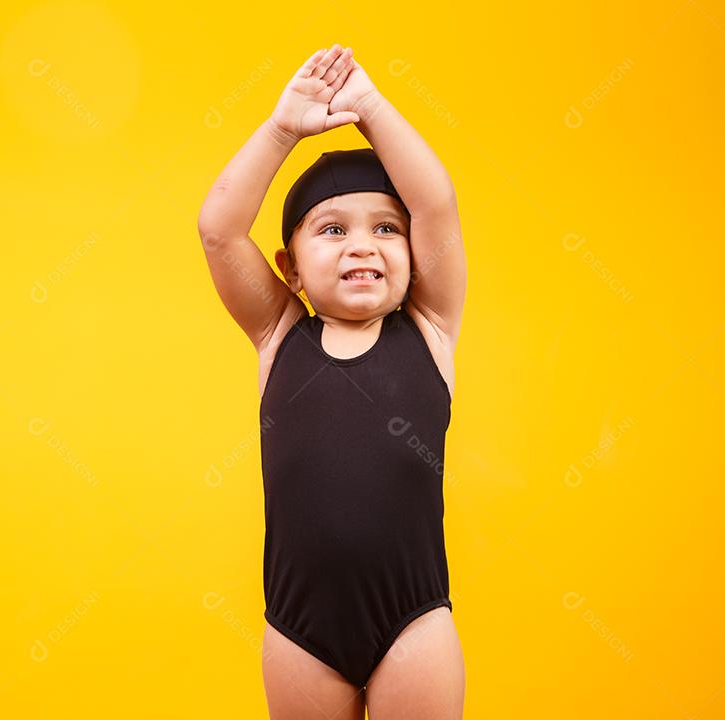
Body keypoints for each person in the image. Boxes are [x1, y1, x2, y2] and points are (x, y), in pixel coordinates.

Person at [197, 43, 467, 720]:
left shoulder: (430, 327)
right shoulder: (278, 335)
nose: (361, 245)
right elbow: (218, 230)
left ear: (413, 251)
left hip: (414, 622)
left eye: (386, 228)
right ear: (289, 267)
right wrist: (282, 128)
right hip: (300, 630)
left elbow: (436, 202)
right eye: (332, 230)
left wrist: (370, 109)